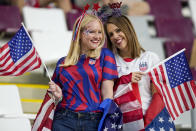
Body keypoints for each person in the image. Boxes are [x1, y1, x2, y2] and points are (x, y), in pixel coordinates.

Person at [48, 14, 118, 131]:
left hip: (93, 120)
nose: (97, 36)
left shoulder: (105, 55)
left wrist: (107, 120)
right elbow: (54, 97)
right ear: (79, 34)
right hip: (63, 119)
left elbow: (107, 94)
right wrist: (57, 96)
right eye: (92, 32)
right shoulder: (62, 62)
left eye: (100, 32)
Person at [104, 15, 160, 130]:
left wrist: (149, 120)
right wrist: (125, 80)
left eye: (118, 30)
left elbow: (157, 94)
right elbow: (108, 96)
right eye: (111, 34)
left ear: (128, 29)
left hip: (149, 120)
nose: (115, 36)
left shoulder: (150, 58)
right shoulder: (110, 62)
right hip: (125, 124)